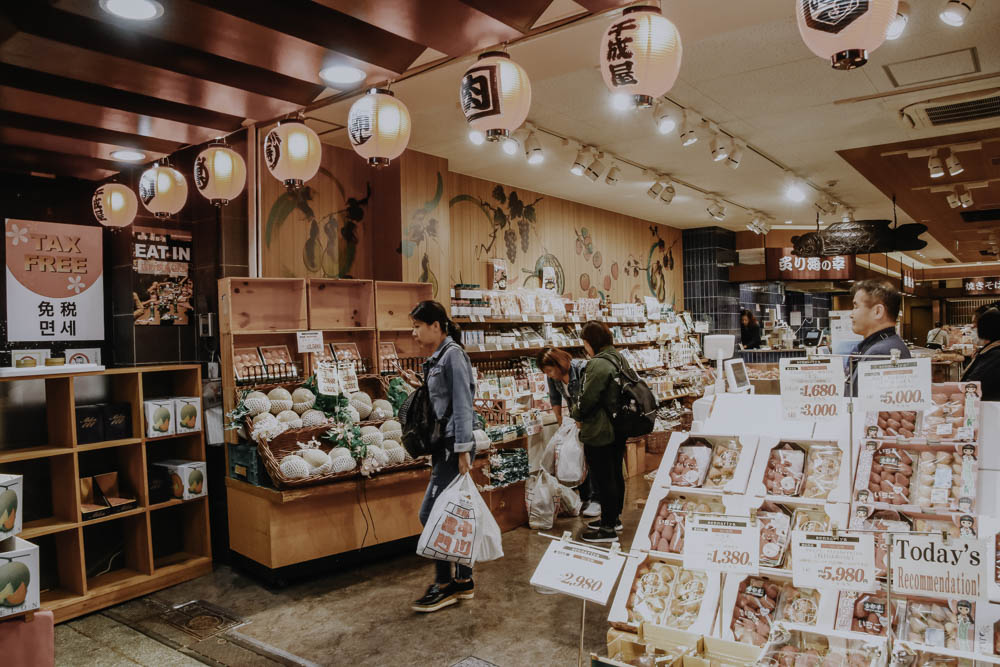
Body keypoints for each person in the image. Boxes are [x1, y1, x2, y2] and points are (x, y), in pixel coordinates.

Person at [398, 301, 477, 613]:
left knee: (431, 514)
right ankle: (463, 581)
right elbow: (443, 399)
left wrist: (461, 452)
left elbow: (462, 404)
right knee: (452, 513)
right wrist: (420, 385)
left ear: (436, 325)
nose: (414, 332)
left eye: (418, 325)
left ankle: (445, 583)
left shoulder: (453, 355)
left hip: (452, 447)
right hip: (444, 446)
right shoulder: (440, 357)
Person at [571, 320, 632, 543]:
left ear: (591, 342)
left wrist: (576, 413)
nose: (584, 347)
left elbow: (588, 398)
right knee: (615, 474)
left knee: (604, 478)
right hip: (617, 427)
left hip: (601, 430)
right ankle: (613, 519)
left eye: (585, 342)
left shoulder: (598, 364)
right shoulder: (617, 357)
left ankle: (607, 529)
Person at [537, 347, 599, 517]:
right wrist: (559, 420)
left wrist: (581, 421)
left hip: (591, 418)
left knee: (590, 457)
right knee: (576, 457)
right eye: (545, 372)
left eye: (550, 370)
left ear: (559, 363)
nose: (549, 375)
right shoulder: (554, 378)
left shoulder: (581, 369)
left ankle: (595, 499)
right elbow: (555, 398)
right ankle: (585, 497)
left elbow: (590, 396)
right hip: (574, 419)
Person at [846, 279, 911, 396]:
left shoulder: (880, 353)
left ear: (877, 311)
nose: (851, 314)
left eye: (856, 307)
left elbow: (864, 408)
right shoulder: (886, 345)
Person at [961, 307, 1000, 401]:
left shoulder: (995, 353)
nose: (973, 326)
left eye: (976, 323)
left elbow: (973, 381)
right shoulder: (990, 350)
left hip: (987, 408)